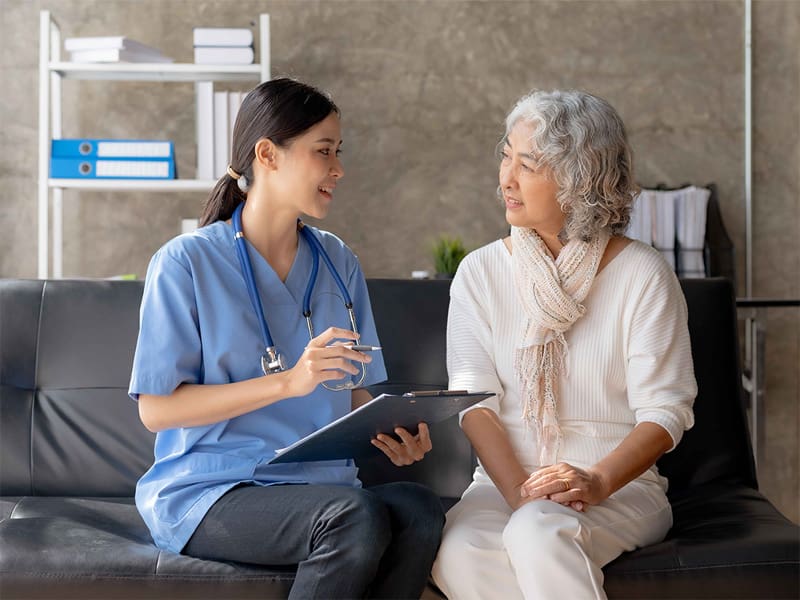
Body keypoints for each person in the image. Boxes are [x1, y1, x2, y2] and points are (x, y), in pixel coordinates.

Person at [129, 78, 444, 600]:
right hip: (212, 490)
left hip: (320, 486)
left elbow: (352, 390)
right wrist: (288, 383)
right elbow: (157, 411)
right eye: (324, 152)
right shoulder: (185, 263)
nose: (338, 169)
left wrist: (395, 428)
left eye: (338, 152)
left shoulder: (338, 260)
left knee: (418, 509)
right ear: (268, 155)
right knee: (353, 517)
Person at [431, 89, 697, 599]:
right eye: (506, 155)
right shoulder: (480, 272)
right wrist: (520, 493)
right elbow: (474, 402)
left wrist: (595, 481)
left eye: (527, 164)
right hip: (502, 484)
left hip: (618, 487)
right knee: (460, 551)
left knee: (537, 533)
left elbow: (665, 412)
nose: (505, 178)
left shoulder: (642, 274)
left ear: (580, 179)